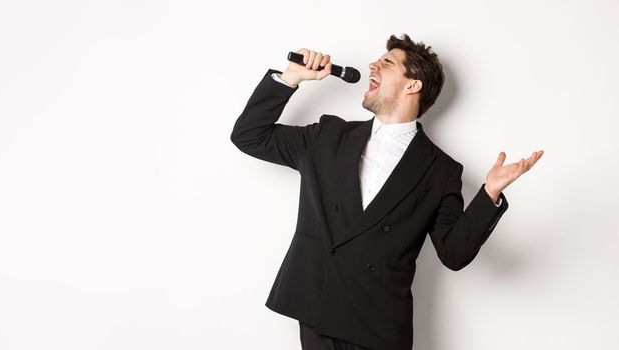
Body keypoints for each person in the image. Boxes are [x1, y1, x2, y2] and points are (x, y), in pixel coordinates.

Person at [229, 34, 544, 350]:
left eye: (387, 62)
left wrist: (489, 194)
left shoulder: (441, 171)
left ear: (413, 85)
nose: (372, 65)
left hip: (378, 327)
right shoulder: (327, 135)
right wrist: (291, 77)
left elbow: (454, 254)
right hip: (317, 309)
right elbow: (249, 135)